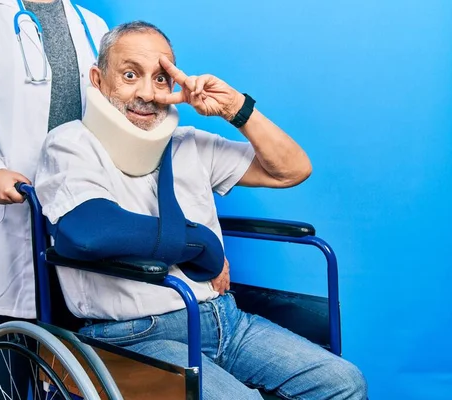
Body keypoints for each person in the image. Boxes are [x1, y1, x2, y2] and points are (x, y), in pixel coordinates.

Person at [35, 21, 368, 399]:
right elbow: (91, 231)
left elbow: (292, 169)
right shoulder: (71, 144)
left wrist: (235, 109)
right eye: (130, 75)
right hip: (136, 335)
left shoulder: (190, 144)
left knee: (344, 383)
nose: (146, 92)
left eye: (161, 79)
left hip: (225, 319)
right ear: (98, 79)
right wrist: (202, 243)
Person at [0, 0, 108, 397]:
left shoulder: (92, 25)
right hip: (19, 205)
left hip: (81, 207)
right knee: (16, 345)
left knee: (82, 353)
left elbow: (115, 108)